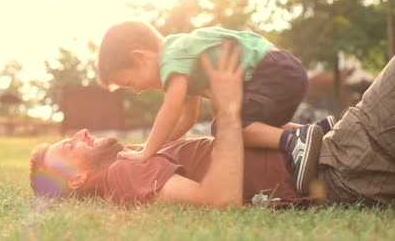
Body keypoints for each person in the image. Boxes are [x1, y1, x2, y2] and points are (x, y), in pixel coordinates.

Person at [29, 44, 395, 207]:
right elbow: (219, 201)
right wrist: (231, 111)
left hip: (337, 156)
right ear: (76, 179)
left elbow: (184, 121)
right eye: (69, 147)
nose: (80, 135)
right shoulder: (124, 174)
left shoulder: (133, 159)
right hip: (338, 166)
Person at [95, 21, 332, 193]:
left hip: (271, 71)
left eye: (129, 82)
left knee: (224, 128)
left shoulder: (172, 56)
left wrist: (147, 150)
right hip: (281, 70)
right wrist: (160, 148)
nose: (136, 90)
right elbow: (187, 119)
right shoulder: (184, 62)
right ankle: (318, 130)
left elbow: (171, 109)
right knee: (248, 120)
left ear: (140, 58)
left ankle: (293, 141)